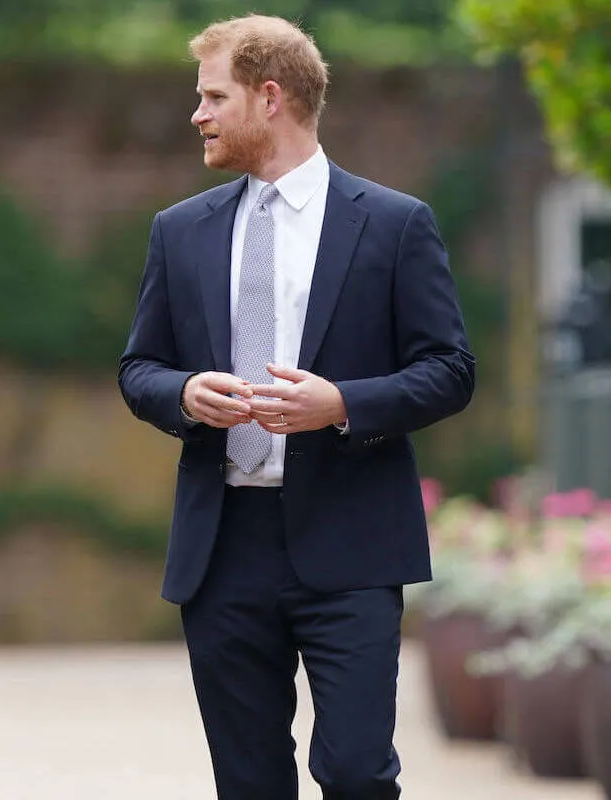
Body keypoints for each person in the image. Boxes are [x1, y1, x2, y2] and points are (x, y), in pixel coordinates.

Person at [119, 14, 474, 800]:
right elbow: (138, 367)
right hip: (223, 549)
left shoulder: (392, 223)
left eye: (213, 96)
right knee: (247, 783)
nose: (198, 114)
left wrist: (342, 403)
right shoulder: (179, 232)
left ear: (269, 96)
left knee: (355, 772)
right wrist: (181, 393)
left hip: (352, 541)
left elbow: (450, 370)